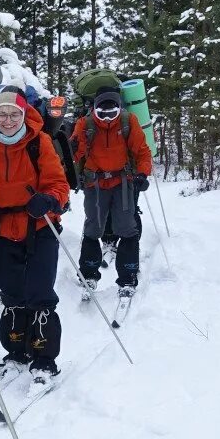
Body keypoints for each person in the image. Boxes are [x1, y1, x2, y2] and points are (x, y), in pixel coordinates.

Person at [0, 86, 71, 384]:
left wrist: (50, 200)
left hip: (40, 225)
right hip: (3, 227)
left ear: (23, 115)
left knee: (40, 292)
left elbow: (59, 184)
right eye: (2, 114)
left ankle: (44, 358)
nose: (7, 120)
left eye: (14, 114)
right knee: (12, 293)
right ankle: (16, 351)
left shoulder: (39, 142)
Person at [73, 87, 153, 294]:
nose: (107, 118)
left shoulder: (128, 122)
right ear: (94, 110)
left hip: (123, 182)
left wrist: (142, 174)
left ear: (119, 109)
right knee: (93, 228)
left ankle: (128, 276)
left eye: (112, 113)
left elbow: (142, 151)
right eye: (102, 113)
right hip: (95, 183)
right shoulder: (86, 124)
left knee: (127, 227)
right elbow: (76, 151)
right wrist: (72, 147)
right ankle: (88, 274)